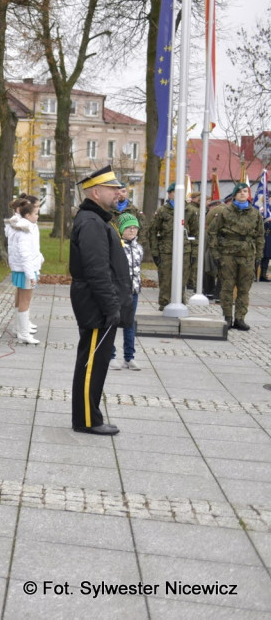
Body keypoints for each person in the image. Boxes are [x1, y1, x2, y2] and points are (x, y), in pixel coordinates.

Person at [69, 165, 132, 435]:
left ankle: (89, 415)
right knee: (92, 364)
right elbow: (97, 271)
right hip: (97, 305)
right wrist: (111, 307)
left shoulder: (97, 219)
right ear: (96, 192)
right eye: (112, 188)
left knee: (94, 363)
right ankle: (86, 420)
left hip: (99, 304)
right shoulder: (91, 222)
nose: (118, 192)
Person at [208, 182, 263, 330]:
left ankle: (240, 318)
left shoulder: (255, 213)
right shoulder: (225, 212)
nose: (243, 194)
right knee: (227, 287)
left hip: (247, 255)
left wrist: (259, 255)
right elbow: (213, 231)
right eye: (239, 192)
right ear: (234, 195)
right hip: (228, 255)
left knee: (244, 288)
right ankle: (227, 317)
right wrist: (216, 253)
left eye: (245, 191)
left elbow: (260, 236)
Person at [147, 184, 195, 310]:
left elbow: (196, 233)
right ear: (169, 194)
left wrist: (194, 253)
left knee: (182, 279)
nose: (176, 195)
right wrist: (155, 252)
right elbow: (152, 231)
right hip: (166, 250)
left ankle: (180, 303)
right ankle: (164, 304)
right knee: (165, 279)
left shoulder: (189, 210)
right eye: (173, 192)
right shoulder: (162, 211)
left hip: (184, 250)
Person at [6, 196, 45, 345]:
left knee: (23, 300)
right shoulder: (24, 229)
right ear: (28, 215)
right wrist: (30, 274)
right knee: (25, 301)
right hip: (25, 269)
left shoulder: (25, 226)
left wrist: (39, 259)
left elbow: (33, 249)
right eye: (35, 214)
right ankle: (23, 333)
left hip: (25, 268)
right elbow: (24, 253)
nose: (38, 216)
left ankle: (19, 329)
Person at [110, 214, 143, 371]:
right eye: (129, 227)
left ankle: (129, 357)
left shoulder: (138, 248)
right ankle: (110, 355)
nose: (132, 230)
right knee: (113, 322)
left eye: (135, 227)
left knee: (130, 323)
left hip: (133, 291)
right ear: (122, 229)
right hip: (118, 291)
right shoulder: (117, 247)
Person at [260, 216, 271, 282]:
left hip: (268, 239)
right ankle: (260, 275)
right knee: (262, 257)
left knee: (266, 257)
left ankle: (263, 275)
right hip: (264, 238)